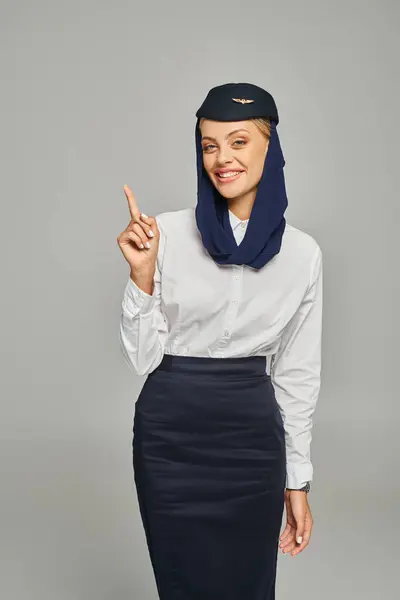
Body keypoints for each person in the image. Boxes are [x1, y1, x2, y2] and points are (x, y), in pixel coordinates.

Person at [117, 82, 323, 600]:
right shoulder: (162, 233)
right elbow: (142, 358)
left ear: (270, 148)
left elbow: (298, 373)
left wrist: (297, 480)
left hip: (251, 442)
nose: (222, 159)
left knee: (249, 587)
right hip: (171, 438)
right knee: (181, 583)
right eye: (209, 145)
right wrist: (142, 277)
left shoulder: (303, 255)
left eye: (238, 142)